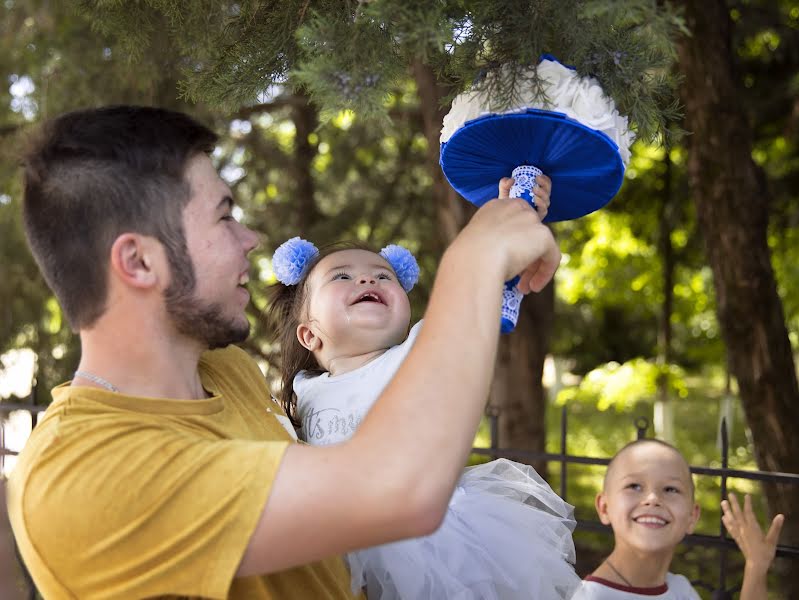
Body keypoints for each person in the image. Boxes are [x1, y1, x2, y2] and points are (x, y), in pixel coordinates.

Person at [7, 105, 562, 599]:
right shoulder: (82, 472)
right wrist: (474, 260)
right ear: (140, 263)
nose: (249, 238)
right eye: (225, 216)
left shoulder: (224, 370)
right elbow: (398, 493)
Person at [264, 174, 578, 599]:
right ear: (309, 335)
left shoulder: (419, 352)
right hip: (337, 541)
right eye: (342, 277)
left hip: (430, 542)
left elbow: (481, 295)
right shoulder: (301, 393)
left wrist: (516, 212)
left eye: (383, 276)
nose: (368, 281)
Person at [571, 439, 785, 599]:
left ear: (692, 516)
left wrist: (756, 567)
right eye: (634, 486)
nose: (653, 499)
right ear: (604, 507)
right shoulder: (588, 597)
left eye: (671, 489)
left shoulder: (681, 591)